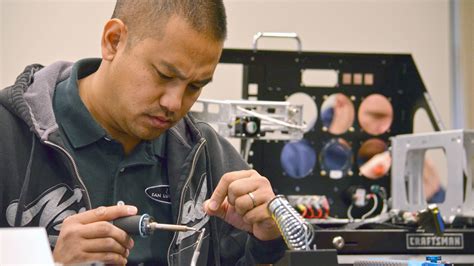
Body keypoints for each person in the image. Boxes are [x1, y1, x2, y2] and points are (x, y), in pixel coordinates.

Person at [0, 0, 286, 265]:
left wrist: (269, 238)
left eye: (195, 86)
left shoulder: (205, 154)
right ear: (113, 41)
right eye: (164, 75)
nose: (174, 104)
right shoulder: (9, 138)